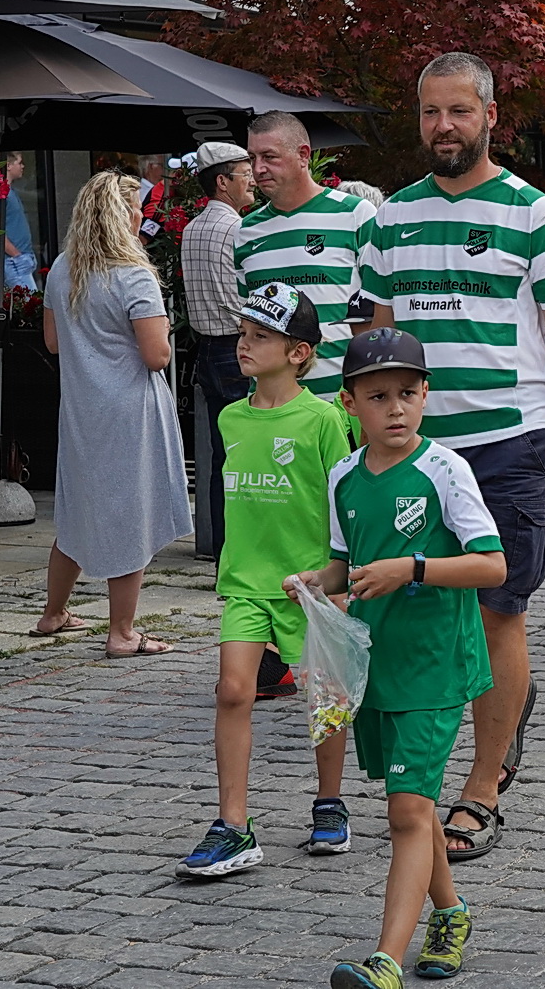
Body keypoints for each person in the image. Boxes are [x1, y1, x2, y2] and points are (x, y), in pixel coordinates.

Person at [358, 52, 545, 861]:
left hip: (511, 441)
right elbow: (378, 344)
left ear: (490, 114)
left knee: (498, 610)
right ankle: (441, 755)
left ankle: (482, 786)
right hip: (417, 448)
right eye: (429, 113)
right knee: (423, 613)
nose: (443, 127)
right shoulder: (390, 221)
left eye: (458, 111)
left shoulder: (534, 216)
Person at [296, 328, 504, 986]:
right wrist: (313, 582)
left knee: (407, 810)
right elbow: (344, 565)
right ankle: (451, 913)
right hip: (378, 666)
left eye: (408, 394)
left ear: (426, 395)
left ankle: (384, 960)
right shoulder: (343, 477)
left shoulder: (445, 469)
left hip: (438, 665)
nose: (395, 408)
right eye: (378, 395)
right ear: (348, 401)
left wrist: (413, 568)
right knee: (410, 804)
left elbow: (493, 565)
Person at [176, 283, 352, 880]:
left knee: (323, 698)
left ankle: (329, 801)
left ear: (298, 352)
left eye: (260, 336)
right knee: (233, 690)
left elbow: (342, 500)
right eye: (243, 333)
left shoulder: (325, 418)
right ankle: (233, 824)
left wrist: (338, 575)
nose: (243, 345)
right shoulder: (229, 416)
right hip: (246, 582)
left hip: (310, 586)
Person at [30, 172, 189, 656]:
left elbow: (53, 343)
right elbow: (157, 355)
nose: (144, 216)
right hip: (129, 410)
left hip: (80, 408)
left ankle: (53, 612)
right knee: (130, 515)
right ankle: (122, 632)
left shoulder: (62, 269)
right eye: (137, 209)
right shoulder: (134, 274)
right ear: (125, 216)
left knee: (77, 511)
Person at [237, 112, 378, 401]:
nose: (258, 168)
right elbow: (251, 323)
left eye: (269, 156)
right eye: (252, 158)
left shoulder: (356, 214)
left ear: (303, 155)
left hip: (342, 403)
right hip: (271, 404)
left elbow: (380, 310)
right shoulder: (246, 232)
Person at [181, 141, 257, 558]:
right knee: (247, 455)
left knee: (221, 455)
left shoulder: (193, 227)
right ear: (223, 182)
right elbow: (237, 298)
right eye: (246, 174)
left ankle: (221, 549)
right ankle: (239, 552)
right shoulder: (237, 228)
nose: (253, 181)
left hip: (206, 350)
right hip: (236, 346)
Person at [0, 151, 38, 293]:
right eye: (19, 162)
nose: (23, 166)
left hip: (13, 261)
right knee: (29, 307)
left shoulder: (7, 190)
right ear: (8, 166)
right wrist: (16, 255)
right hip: (11, 262)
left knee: (21, 307)